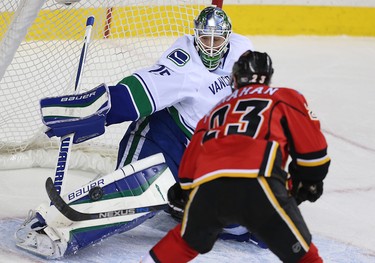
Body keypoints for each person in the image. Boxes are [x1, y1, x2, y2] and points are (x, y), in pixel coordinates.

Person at [16, 6, 258, 259]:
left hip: (199, 152)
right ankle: (55, 226)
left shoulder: (242, 51)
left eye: (216, 39)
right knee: (138, 194)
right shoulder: (184, 64)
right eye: (204, 39)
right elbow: (136, 94)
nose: (209, 46)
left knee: (246, 221)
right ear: (195, 36)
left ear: (227, 38)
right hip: (161, 138)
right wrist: (91, 110)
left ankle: (183, 203)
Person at [141, 50, 331, 263]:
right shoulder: (283, 97)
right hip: (259, 184)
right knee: (305, 257)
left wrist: (185, 192)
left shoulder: (214, 111)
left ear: (236, 77)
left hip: (210, 188)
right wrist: (310, 180)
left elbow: (188, 170)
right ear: (268, 75)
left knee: (183, 244)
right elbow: (313, 152)